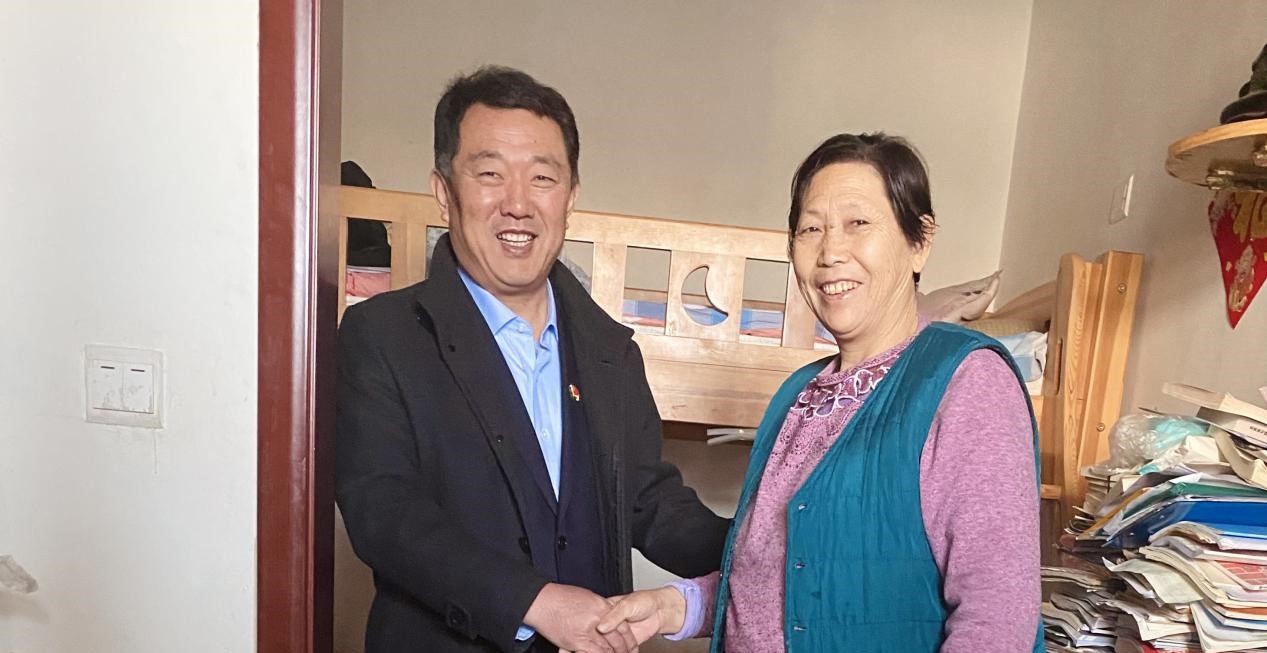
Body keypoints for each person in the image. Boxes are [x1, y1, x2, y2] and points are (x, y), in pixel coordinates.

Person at [598, 133, 1044, 652]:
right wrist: (674, 605)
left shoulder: (966, 382)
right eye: (811, 229)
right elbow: (778, 579)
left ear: (919, 241)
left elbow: (998, 622)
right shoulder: (799, 393)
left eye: (858, 223)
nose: (831, 252)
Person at [335, 66, 729, 653]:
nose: (517, 204)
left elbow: (648, 502)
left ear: (570, 197)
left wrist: (769, 548)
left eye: (542, 178)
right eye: (490, 174)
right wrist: (535, 602)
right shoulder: (382, 335)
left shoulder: (611, 352)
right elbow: (385, 515)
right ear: (444, 191)